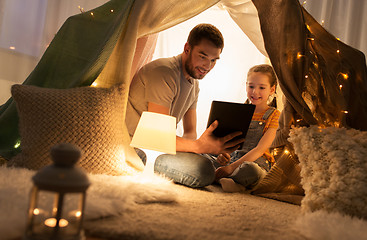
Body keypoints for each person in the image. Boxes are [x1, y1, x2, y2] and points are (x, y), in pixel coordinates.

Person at [126, 24, 243, 187]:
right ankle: (215, 175)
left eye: (213, 60)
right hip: (140, 148)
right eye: (202, 56)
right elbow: (157, 138)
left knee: (222, 162)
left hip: (163, 146)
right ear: (187, 48)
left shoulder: (194, 84)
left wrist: (210, 148)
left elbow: (189, 132)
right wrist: (200, 147)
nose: (207, 66)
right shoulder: (163, 73)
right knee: (203, 170)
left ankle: (221, 172)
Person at [209, 64, 280, 192]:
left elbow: (260, 149)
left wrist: (231, 168)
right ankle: (229, 180)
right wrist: (223, 155)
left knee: (250, 171)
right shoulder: (239, 111)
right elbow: (229, 142)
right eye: (251, 86)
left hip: (256, 164)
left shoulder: (274, 115)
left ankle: (227, 179)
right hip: (233, 161)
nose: (255, 92)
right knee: (205, 154)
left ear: (272, 89)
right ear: (246, 85)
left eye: (262, 88)